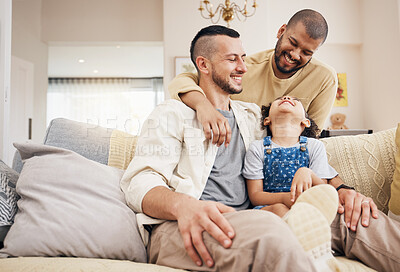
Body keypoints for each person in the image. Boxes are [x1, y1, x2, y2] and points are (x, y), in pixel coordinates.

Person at [121, 25, 339, 272]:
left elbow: (299, 145)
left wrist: (343, 189)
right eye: (232, 59)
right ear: (204, 65)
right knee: (273, 234)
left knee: (350, 224)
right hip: (182, 224)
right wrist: (184, 205)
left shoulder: (252, 115)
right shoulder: (171, 114)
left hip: (249, 217)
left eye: (243, 58)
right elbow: (139, 183)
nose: (244, 68)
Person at [169, 9, 382, 237]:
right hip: (264, 196)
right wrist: (204, 107)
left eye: (307, 52)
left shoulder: (324, 79)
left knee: (363, 224)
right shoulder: (245, 69)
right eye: (292, 42)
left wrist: (342, 189)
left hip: (303, 187)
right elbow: (183, 80)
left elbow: (310, 142)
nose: (295, 54)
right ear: (281, 31)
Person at [242, 96, 338, 218]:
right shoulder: (257, 148)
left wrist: (306, 172)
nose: (287, 98)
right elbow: (255, 196)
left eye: (296, 101)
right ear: (267, 120)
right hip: (269, 207)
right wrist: (284, 198)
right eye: (279, 99)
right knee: (279, 208)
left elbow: (322, 190)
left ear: (305, 122)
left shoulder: (314, 146)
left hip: (306, 204)